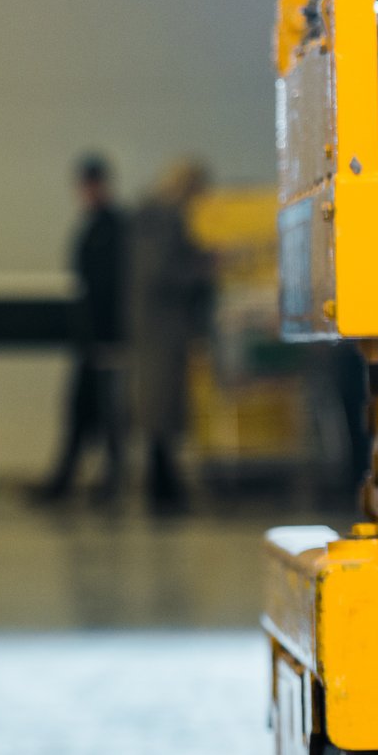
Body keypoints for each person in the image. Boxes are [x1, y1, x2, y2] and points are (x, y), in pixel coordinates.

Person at [123, 158, 217, 516]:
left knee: (162, 409)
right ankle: (162, 487)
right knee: (160, 408)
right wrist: (200, 269)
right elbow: (161, 272)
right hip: (160, 327)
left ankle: (164, 484)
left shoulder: (152, 217)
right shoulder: (158, 219)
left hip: (158, 327)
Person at [37, 153, 126, 505]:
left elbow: (111, 288)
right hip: (91, 337)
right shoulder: (93, 226)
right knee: (82, 413)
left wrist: (109, 338)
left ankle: (100, 485)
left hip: (105, 338)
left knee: (106, 415)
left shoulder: (112, 228)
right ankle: (65, 484)